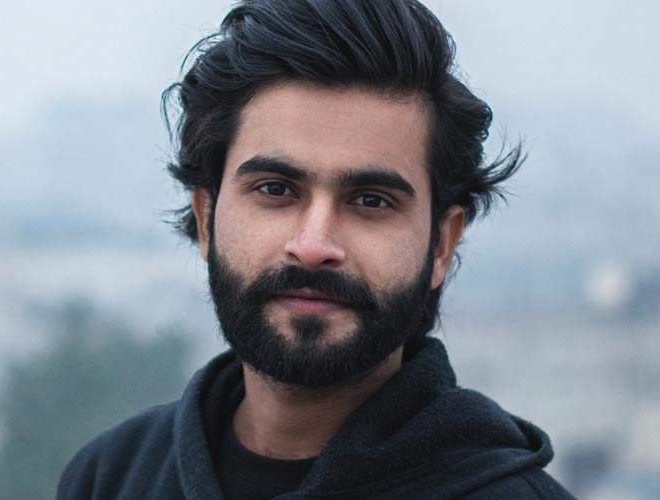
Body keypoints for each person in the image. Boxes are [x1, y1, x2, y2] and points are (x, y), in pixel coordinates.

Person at [57, 1, 572, 498]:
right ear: (206, 219)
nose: (313, 245)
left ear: (442, 243)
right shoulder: (110, 478)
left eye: (371, 200)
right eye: (276, 190)